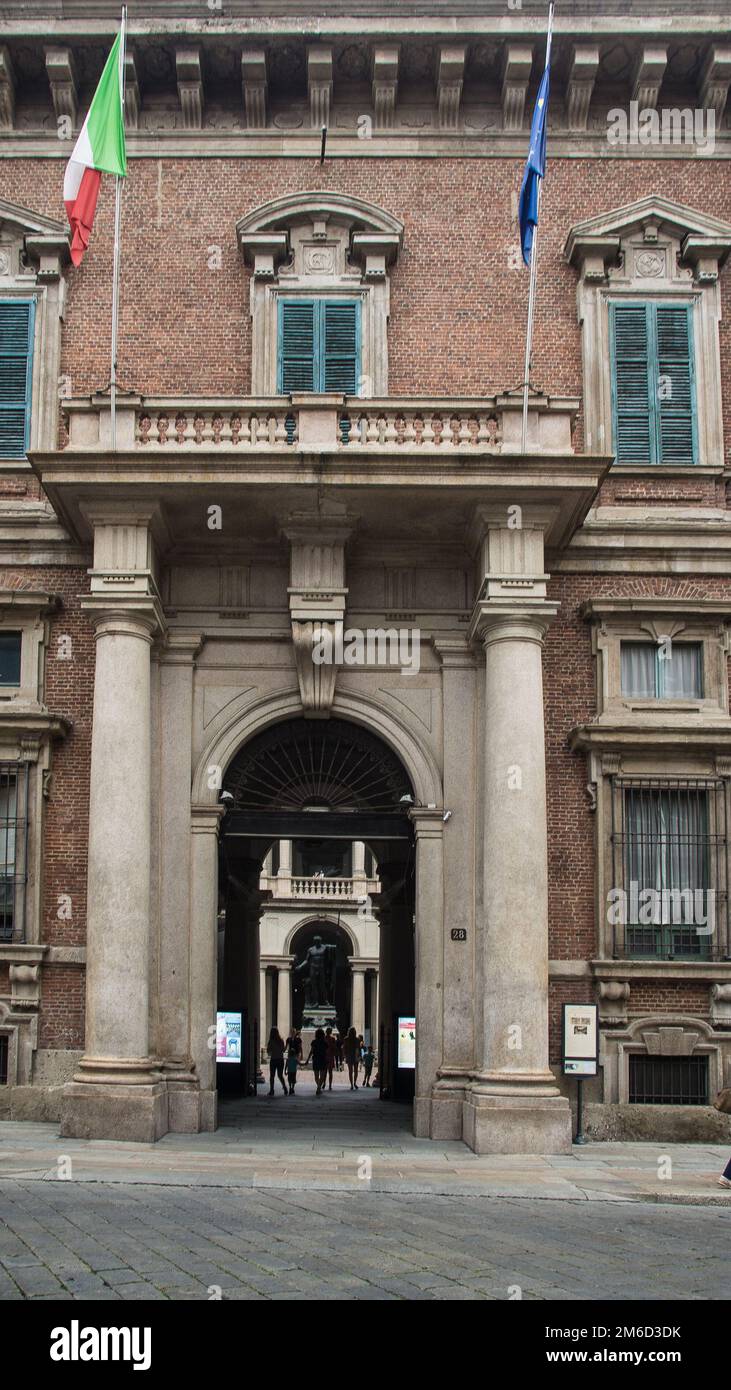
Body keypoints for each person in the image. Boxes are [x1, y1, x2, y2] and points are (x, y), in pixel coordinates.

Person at [306, 1027, 328, 1095]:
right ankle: (319, 1088)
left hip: (315, 1059)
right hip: (322, 1059)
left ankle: (318, 1087)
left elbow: (311, 1051)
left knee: (316, 1076)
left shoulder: (314, 1042)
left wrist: (307, 1059)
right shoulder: (325, 1042)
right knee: (322, 1075)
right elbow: (326, 1052)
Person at [267, 1027, 288, 1096]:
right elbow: (283, 1050)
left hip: (273, 1059)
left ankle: (272, 1090)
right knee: (280, 1075)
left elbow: (268, 1051)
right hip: (280, 1059)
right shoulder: (281, 1040)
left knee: (272, 1076)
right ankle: (285, 1088)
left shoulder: (271, 1041)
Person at [285, 1028, 302, 1095]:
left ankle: (292, 1087)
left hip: (296, 1053)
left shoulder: (298, 1039)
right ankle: (291, 1087)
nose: (293, 1033)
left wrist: (301, 1054)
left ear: (295, 1033)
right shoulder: (288, 1039)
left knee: (294, 1065)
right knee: (291, 1064)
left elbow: (300, 1047)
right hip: (290, 1054)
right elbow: (286, 1047)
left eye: (294, 1032)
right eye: (292, 1032)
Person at [343, 1026, 360, 1090]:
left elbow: (344, 1048)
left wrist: (344, 1055)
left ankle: (352, 1084)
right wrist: (359, 1056)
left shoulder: (346, 1039)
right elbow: (358, 1048)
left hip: (349, 1055)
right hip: (355, 1055)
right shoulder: (357, 1039)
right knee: (355, 1070)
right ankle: (354, 1083)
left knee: (351, 1071)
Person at [324, 1026, 337, 1091]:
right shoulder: (332, 1039)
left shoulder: (324, 1038)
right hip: (330, 1056)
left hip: (326, 1056)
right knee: (330, 1072)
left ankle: (324, 1083)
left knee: (325, 1071)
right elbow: (334, 1048)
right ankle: (329, 1085)